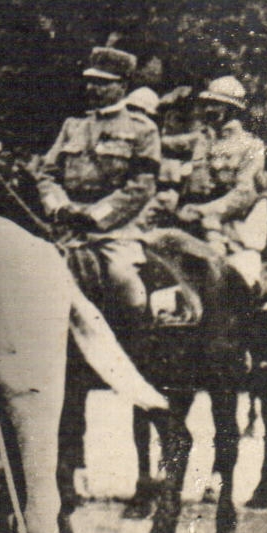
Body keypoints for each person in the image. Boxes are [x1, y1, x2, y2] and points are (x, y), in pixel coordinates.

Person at [34, 44, 161, 328]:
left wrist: (95, 215)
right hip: (65, 228)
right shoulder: (73, 126)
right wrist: (59, 207)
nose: (93, 88)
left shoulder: (142, 129)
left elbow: (141, 186)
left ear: (123, 86)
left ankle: (139, 348)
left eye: (103, 83)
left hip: (115, 232)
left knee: (128, 289)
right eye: (90, 81)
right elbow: (47, 174)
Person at [176, 76, 266, 291]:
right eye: (207, 103)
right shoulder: (201, 140)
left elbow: (244, 193)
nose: (209, 109)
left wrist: (205, 211)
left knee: (228, 280)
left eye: (216, 105)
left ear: (232, 110)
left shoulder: (250, 145)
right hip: (187, 220)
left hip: (228, 229)